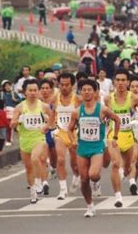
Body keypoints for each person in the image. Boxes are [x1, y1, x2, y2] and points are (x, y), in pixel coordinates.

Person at [67, 79, 120, 218]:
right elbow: (70, 129)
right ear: (80, 92)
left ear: (96, 92)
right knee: (84, 179)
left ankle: (97, 180)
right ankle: (90, 206)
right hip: (83, 147)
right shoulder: (77, 112)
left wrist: (114, 137)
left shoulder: (102, 109)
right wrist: (73, 140)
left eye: (89, 89)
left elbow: (117, 119)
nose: (86, 92)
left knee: (93, 175)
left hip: (97, 146)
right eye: (83, 90)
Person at [104, 69, 138, 202]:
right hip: (114, 135)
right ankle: (118, 196)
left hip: (129, 135)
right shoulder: (108, 98)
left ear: (128, 82)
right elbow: (104, 114)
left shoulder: (134, 98)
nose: (120, 83)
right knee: (115, 164)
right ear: (114, 82)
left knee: (129, 167)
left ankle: (127, 175)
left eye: (123, 80)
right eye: (118, 80)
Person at [10, 79, 54, 203]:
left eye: (35, 90)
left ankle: (40, 181)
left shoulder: (43, 106)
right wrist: (19, 120)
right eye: (30, 90)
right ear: (25, 92)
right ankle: (33, 193)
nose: (33, 93)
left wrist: (47, 121)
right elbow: (12, 125)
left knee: (36, 158)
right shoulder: (20, 107)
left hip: (39, 138)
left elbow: (53, 121)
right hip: (25, 140)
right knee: (29, 168)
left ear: (38, 91)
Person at [53, 72, 82, 200]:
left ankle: (77, 176)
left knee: (75, 164)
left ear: (72, 85)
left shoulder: (78, 99)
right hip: (60, 132)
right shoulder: (55, 98)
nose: (64, 87)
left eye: (67, 85)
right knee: (60, 159)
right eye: (62, 85)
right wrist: (47, 126)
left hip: (74, 133)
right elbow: (52, 114)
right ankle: (63, 189)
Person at [0, 80, 21, 146]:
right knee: (3, 126)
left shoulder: (14, 93)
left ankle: (9, 140)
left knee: (10, 125)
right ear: (3, 87)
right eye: (6, 86)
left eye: (8, 85)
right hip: (4, 111)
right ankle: (3, 139)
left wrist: (15, 100)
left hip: (12, 110)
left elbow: (20, 100)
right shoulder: (1, 94)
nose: (7, 87)